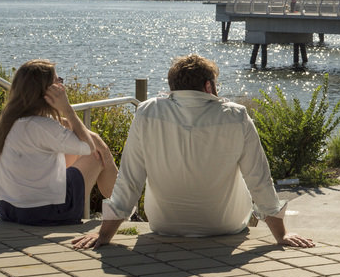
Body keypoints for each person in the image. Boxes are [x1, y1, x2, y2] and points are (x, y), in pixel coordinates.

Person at [72, 54, 314, 249]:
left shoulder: (147, 112)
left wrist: (104, 235)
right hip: (225, 224)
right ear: (208, 85)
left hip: (164, 225)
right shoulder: (236, 115)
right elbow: (259, 179)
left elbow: (130, 179)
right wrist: (281, 235)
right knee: (240, 170)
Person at [0, 60, 117, 226]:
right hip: (46, 213)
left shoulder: (9, 121)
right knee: (96, 154)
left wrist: (70, 124)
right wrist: (67, 109)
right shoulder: (42, 126)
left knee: (78, 147)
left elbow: (54, 130)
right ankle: (123, 207)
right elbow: (88, 146)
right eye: (58, 82)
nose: (61, 87)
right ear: (46, 91)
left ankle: (122, 204)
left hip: (9, 210)